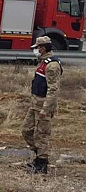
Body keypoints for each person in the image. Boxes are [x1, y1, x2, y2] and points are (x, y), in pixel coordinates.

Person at [22, 36, 63, 174]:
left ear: (43, 48)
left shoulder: (52, 66)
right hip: (35, 103)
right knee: (26, 130)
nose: (36, 50)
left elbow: (53, 90)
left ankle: (42, 163)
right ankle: (38, 155)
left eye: (37, 48)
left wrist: (45, 109)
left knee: (41, 134)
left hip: (43, 106)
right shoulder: (43, 62)